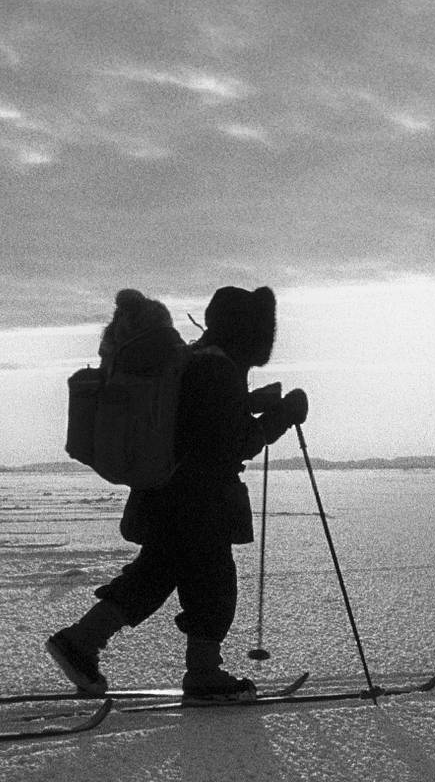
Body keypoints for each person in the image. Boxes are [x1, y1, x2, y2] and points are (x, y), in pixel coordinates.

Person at [46, 284, 308, 701]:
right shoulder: (220, 371)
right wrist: (282, 415)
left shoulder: (198, 359)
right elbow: (235, 442)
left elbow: (202, 422)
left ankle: (82, 642)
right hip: (200, 502)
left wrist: (253, 402)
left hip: (168, 496)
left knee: (155, 575)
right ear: (249, 335)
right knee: (213, 587)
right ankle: (202, 674)